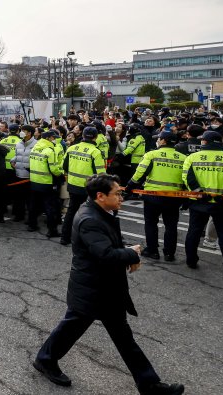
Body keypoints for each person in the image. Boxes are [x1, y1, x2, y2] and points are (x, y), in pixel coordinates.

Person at [33, 174, 185, 395]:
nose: (121, 197)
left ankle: (149, 384)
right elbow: (105, 254)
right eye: (117, 193)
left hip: (105, 288)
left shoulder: (102, 211)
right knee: (73, 328)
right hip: (93, 289)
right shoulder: (90, 219)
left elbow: (110, 243)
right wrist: (131, 254)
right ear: (100, 196)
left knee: (123, 337)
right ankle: (45, 360)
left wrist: (127, 257)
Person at [126, 131, 186, 261]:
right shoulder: (183, 157)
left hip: (152, 196)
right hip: (174, 197)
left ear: (163, 141)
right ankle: (170, 253)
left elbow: (139, 173)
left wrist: (129, 186)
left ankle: (152, 251)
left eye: (158, 138)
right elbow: (186, 178)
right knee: (171, 225)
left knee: (151, 223)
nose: (157, 140)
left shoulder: (151, 154)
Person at [181, 131, 223, 274]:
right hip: (222, 203)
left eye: (202, 140)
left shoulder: (192, 157)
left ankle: (191, 260)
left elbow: (186, 178)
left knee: (194, 232)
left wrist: (201, 193)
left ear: (206, 142)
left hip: (199, 202)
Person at [60, 127, 107, 244]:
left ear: (83, 135)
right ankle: (84, 239)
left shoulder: (72, 148)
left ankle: (64, 238)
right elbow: (101, 174)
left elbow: (64, 167)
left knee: (71, 211)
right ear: (95, 137)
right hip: (88, 188)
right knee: (89, 214)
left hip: (72, 184)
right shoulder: (95, 152)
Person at [28, 130, 63, 234]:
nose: (55, 139)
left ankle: (32, 225)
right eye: (53, 138)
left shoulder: (34, 148)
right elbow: (54, 170)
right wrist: (60, 173)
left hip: (34, 181)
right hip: (46, 182)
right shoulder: (49, 150)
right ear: (48, 138)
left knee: (33, 205)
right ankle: (52, 230)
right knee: (49, 207)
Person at [10, 125, 37, 222]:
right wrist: (12, 161)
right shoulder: (18, 144)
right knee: (18, 198)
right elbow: (17, 155)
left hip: (29, 176)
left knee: (30, 200)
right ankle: (19, 215)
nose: (21, 132)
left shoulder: (36, 144)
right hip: (18, 174)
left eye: (23, 131)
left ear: (29, 133)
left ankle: (31, 219)